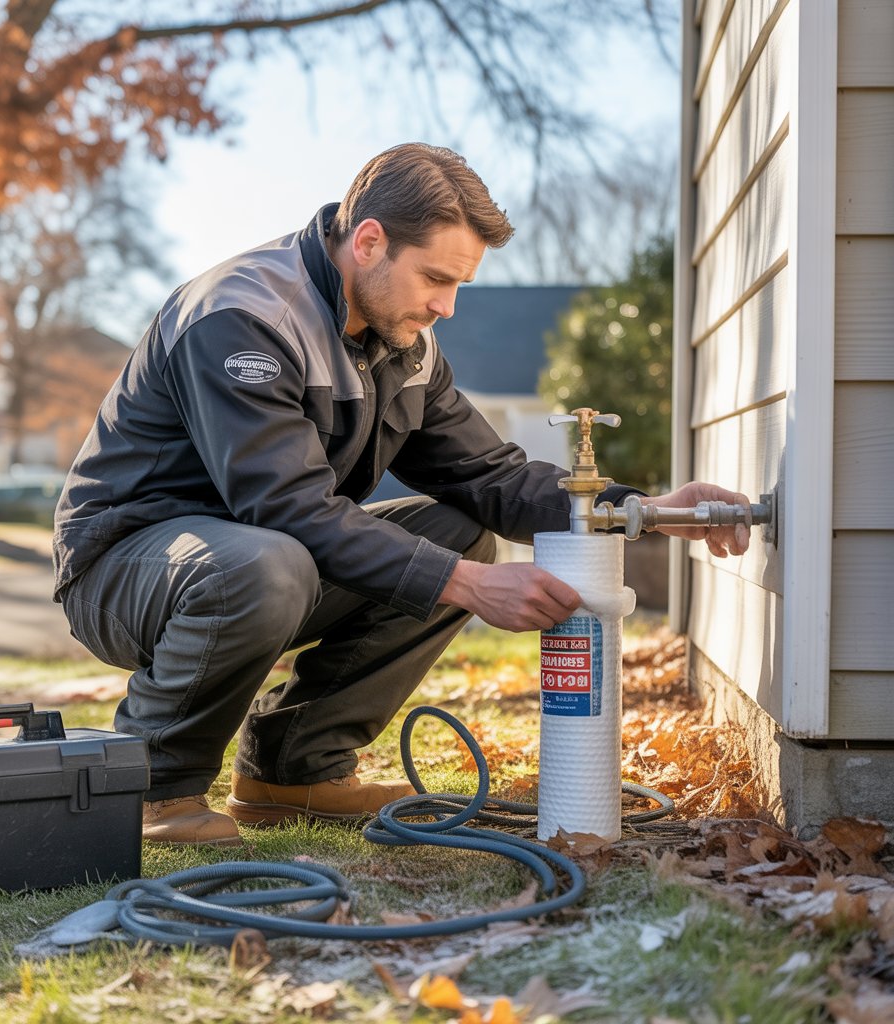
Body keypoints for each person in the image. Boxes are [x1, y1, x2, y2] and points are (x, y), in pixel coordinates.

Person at [53, 143, 750, 847]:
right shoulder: (243, 315)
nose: (445, 307)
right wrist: (468, 586)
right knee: (281, 562)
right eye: (435, 279)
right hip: (125, 567)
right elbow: (284, 506)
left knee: (460, 531)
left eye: (458, 286)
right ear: (369, 241)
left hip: (261, 560)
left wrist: (649, 512)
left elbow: (493, 477)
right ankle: (152, 786)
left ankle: (292, 767)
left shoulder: (402, 344)